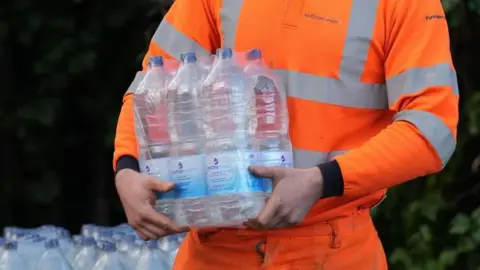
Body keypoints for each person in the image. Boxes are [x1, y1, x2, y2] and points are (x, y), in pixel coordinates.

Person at [113, 0, 459, 269]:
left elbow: (432, 128)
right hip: (214, 249)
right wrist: (127, 168)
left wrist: (322, 180)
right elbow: (153, 85)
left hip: (331, 250)